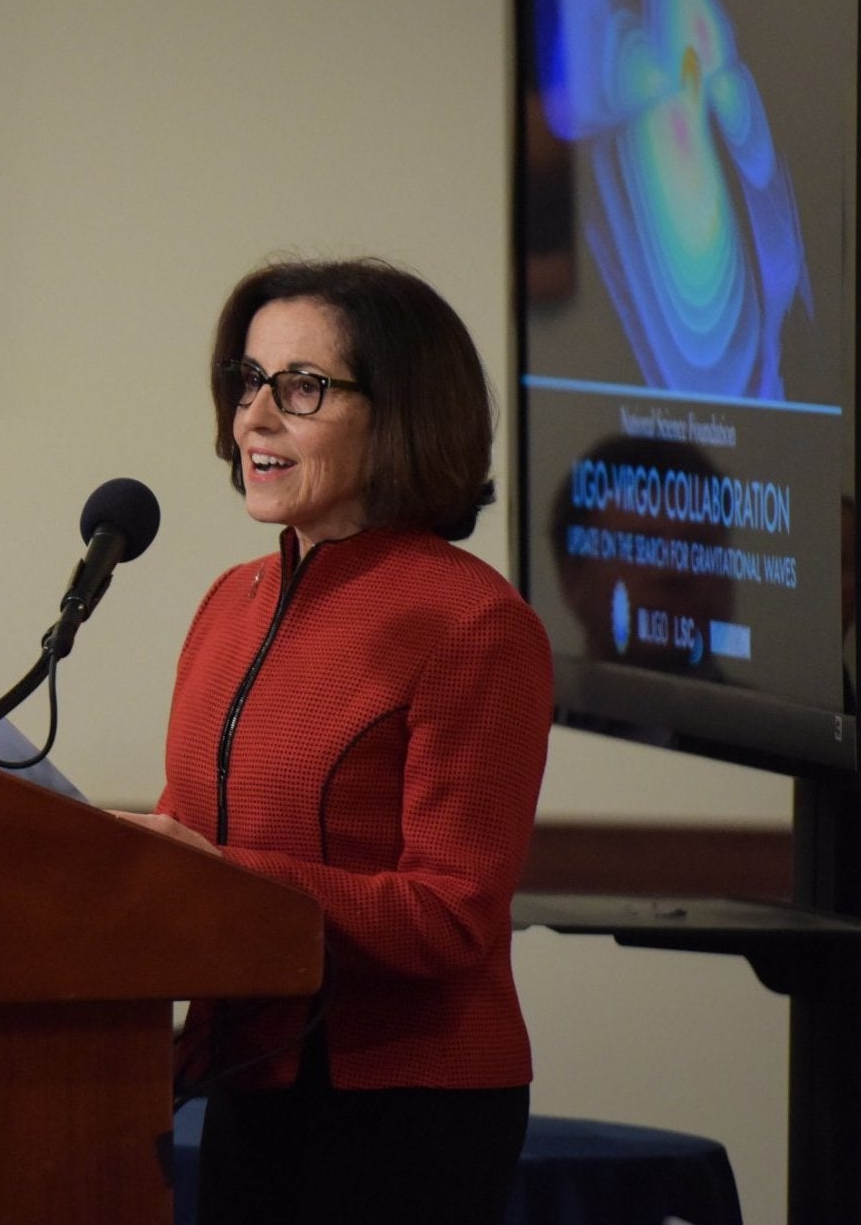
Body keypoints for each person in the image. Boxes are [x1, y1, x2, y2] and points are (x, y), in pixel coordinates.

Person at [119, 259, 553, 1225]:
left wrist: (221, 877)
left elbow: (450, 917)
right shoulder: (231, 603)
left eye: (300, 388)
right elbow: (191, 837)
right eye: (247, 380)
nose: (254, 418)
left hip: (401, 1110)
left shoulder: (472, 623)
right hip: (246, 1080)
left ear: (397, 414)